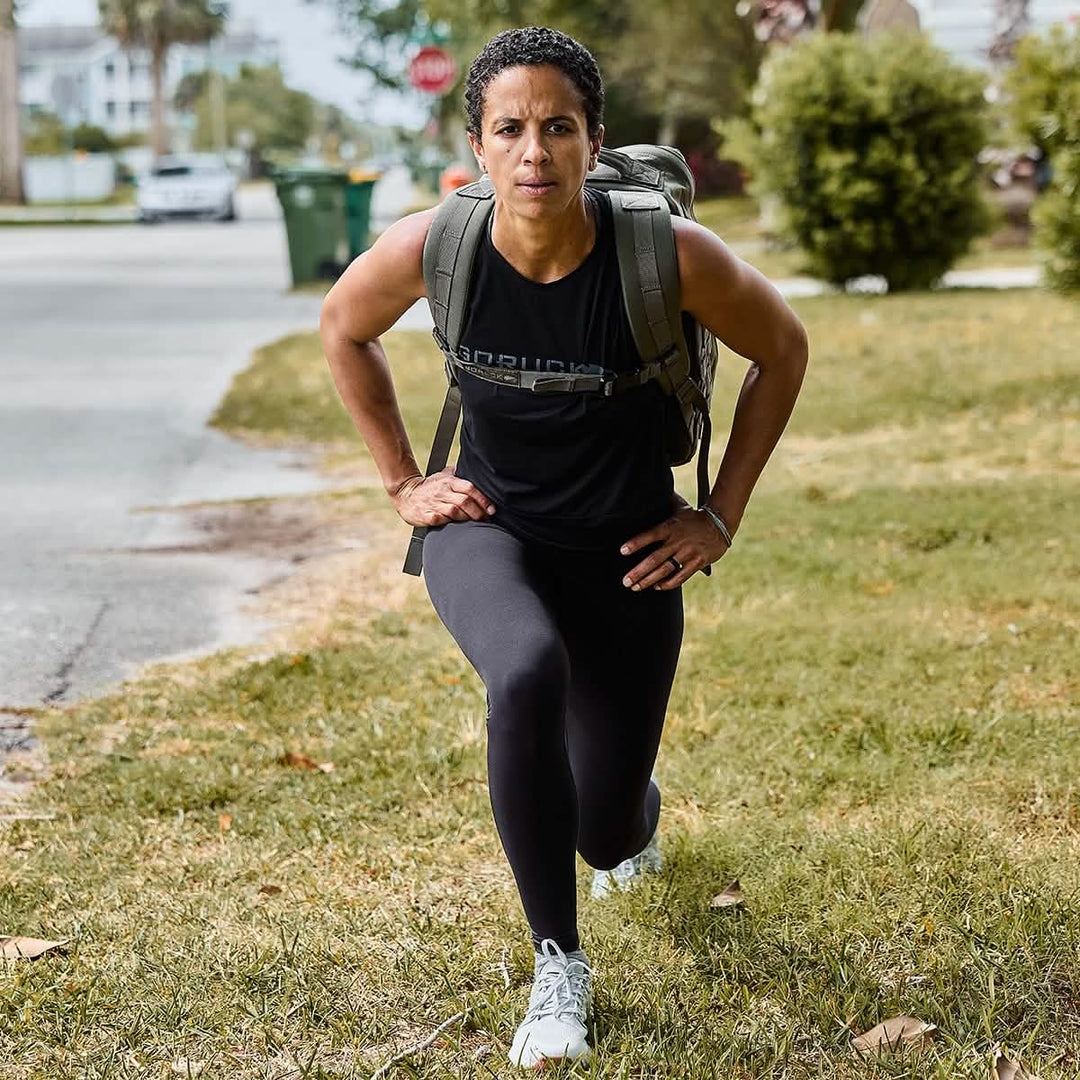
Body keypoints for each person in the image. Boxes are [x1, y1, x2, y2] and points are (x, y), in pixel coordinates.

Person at [320, 26, 808, 1071]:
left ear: (595, 141)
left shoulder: (665, 255)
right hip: (488, 532)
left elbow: (784, 349)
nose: (534, 152)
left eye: (558, 127)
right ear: (479, 148)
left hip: (631, 551)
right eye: (511, 130)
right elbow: (343, 328)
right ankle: (559, 966)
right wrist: (405, 481)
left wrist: (717, 514)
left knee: (608, 830)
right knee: (527, 673)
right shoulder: (434, 247)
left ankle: (631, 818)